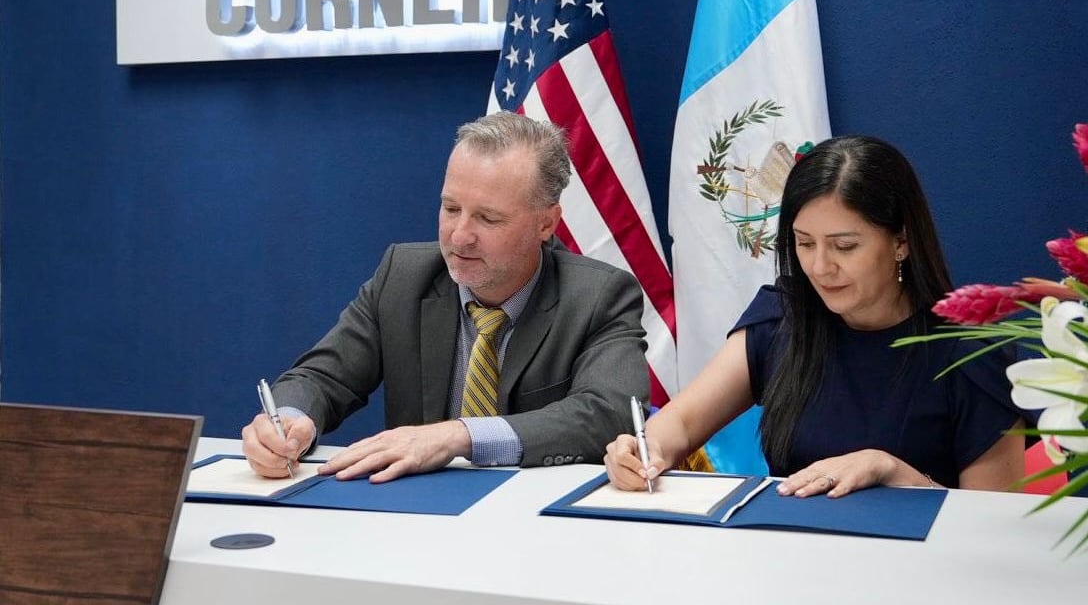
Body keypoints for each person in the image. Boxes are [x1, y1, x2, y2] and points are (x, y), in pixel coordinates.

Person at [605, 135, 1027, 496]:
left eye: (844, 247)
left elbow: (992, 526)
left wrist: (891, 470)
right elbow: (680, 422)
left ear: (901, 241)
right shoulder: (781, 318)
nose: (821, 268)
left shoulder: (973, 351)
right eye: (805, 244)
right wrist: (643, 450)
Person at [243, 112, 649, 482]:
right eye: (451, 208)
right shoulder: (402, 275)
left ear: (547, 223)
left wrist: (458, 436)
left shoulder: (600, 296)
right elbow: (322, 376)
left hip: (539, 525)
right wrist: (289, 422)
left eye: (488, 218)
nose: (459, 236)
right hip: (419, 521)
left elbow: (607, 412)